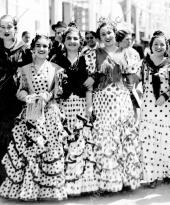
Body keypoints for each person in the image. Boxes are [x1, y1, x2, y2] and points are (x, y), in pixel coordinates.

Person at [0, 34, 68, 201]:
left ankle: (48, 192)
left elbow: (59, 92)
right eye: (39, 46)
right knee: (30, 150)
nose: (42, 49)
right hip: (30, 113)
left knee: (49, 149)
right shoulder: (24, 69)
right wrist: (26, 97)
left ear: (49, 50)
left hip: (49, 114)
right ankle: (28, 190)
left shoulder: (56, 69)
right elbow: (20, 90)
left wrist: (48, 95)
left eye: (45, 46)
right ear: (33, 49)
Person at [87, 21, 141, 192]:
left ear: (114, 33)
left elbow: (134, 79)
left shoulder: (127, 54)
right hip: (102, 100)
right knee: (106, 138)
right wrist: (89, 104)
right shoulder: (92, 55)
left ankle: (124, 180)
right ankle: (106, 182)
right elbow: (89, 83)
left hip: (122, 99)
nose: (107, 37)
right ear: (100, 37)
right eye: (103, 34)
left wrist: (131, 80)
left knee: (123, 136)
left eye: (109, 33)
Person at [0, 15, 32, 192]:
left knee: (13, 140)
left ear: (15, 29)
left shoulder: (24, 50)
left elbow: (29, 79)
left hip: (16, 101)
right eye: (2, 27)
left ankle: (9, 183)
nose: (5, 30)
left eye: (9, 27)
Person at [51, 27, 98, 195]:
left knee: (79, 143)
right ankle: (62, 185)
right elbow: (52, 84)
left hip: (79, 105)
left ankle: (80, 185)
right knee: (63, 142)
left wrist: (89, 106)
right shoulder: (56, 59)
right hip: (62, 106)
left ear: (80, 42)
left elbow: (90, 86)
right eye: (69, 38)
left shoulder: (86, 60)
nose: (72, 41)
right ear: (63, 41)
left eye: (75, 39)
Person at [139, 31, 170, 188]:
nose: (159, 47)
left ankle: (165, 172)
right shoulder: (144, 63)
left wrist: (166, 95)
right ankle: (151, 175)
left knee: (166, 139)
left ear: (166, 47)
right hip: (149, 104)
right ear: (150, 46)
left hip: (166, 105)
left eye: (162, 44)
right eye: (156, 44)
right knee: (150, 140)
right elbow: (136, 81)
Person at [115, 29, 142, 121]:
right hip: (118, 87)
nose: (129, 41)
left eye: (130, 39)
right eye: (127, 39)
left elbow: (139, 70)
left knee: (133, 112)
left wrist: (134, 83)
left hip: (132, 86)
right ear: (119, 40)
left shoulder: (135, 53)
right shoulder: (114, 53)